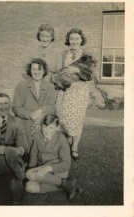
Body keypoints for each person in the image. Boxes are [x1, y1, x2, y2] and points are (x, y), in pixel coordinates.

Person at [0, 93, 29, 205]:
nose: (3, 107)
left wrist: (13, 151)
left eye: (6, 103)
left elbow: (24, 145)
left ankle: (13, 164)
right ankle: (17, 200)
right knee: (11, 166)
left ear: (10, 104)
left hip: (13, 154)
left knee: (10, 159)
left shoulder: (17, 121)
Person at [56, 28, 93, 161]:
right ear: (68, 40)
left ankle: (74, 146)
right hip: (65, 90)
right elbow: (58, 71)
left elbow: (89, 75)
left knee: (77, 118)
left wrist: (76, 69)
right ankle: (68, 141)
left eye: (77, 39)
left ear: (81, 40)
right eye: (72, 39)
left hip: (79, 91)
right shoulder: (63, 54)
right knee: (63, 117)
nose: (74, 41)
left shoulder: (87, 56)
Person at [25, 114, 78, 200]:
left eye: (51, 128)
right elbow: (33, 155)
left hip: (57, 170)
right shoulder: (38, 136)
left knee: (28, 174)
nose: (47, 131)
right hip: (44, 170)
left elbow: (66, 164)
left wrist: (44, 169)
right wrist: (32, 168)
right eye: (45, 127)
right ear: (41, 126)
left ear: (57, 128)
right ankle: (65, 185)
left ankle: (63, 182)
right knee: (28, 186)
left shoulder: (62, 140)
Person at [12, 58, 56, 150]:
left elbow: (52, 107)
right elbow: (16, 108)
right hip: (26, 120)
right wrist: (31, 115)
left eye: (39, 69)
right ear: (30, 71)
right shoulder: (21, 86)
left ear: (44, 71)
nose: (36, 72)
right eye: (34, 69)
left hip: (43, 120)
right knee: (27, 146)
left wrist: (40, 110)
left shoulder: (50, 86)